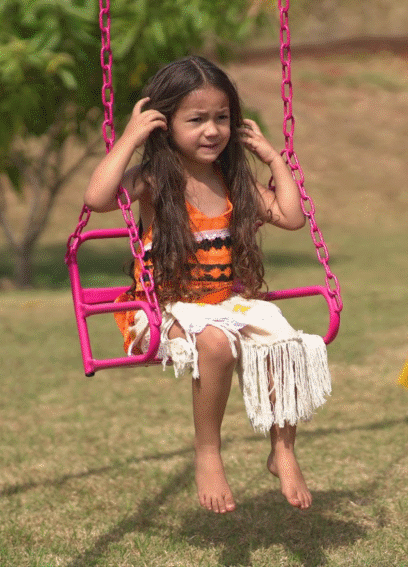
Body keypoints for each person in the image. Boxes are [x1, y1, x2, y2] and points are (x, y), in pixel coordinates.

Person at [84, 56, 331, 514]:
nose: (212, 131)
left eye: (221, 118)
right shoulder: (157, 179)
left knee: (284, 344)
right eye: (196, 120)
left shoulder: (231, 179)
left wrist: (275, 158)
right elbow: (97, 198)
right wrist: (132, 137)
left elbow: (293, 217)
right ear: (166, 124)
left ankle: (283, 449)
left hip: (224, 301)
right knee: (215, 345)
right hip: (165, 309)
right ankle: (208, 452)